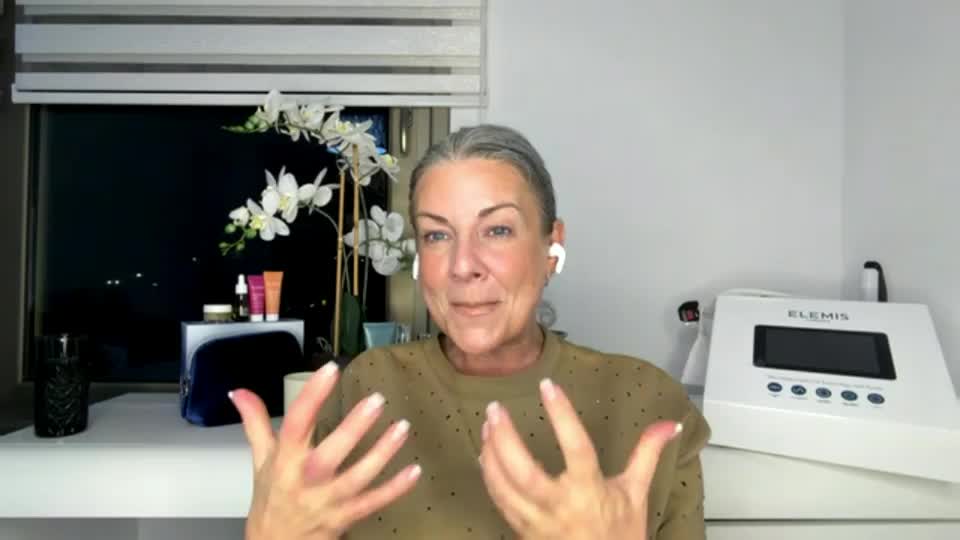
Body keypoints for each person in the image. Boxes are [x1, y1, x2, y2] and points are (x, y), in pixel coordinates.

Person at [230, 124, 711, 539]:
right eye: (437, 235)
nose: (462, 266)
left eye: (497, 230)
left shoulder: (648, 403)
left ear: (551, 247)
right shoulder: (365, 387)